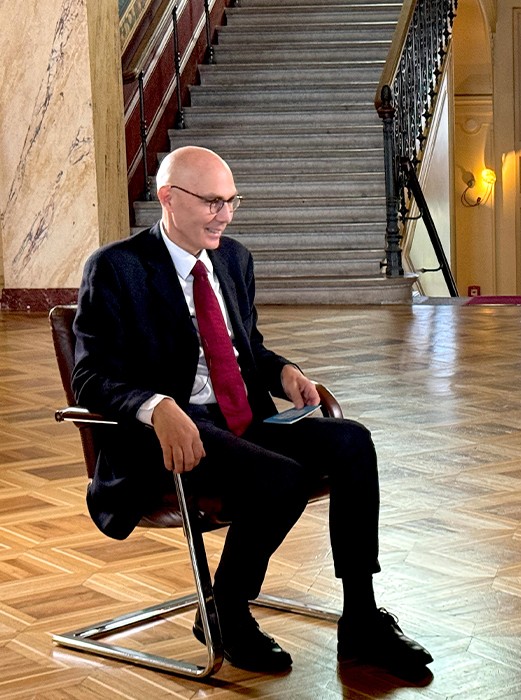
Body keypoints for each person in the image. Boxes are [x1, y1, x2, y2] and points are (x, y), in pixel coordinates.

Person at [72, 146, 433, 675]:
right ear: (167, 197)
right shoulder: (115, 268)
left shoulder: (234, 259)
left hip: (241, 421)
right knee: (282, 479)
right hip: (168, 438)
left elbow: (245, 349)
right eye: (212, 202)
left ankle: (360, 618)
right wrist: (155, 406)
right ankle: (228, 610)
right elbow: (90, 376)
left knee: (353, 441)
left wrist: (282, 371)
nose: (225, 214)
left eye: (232, 201)